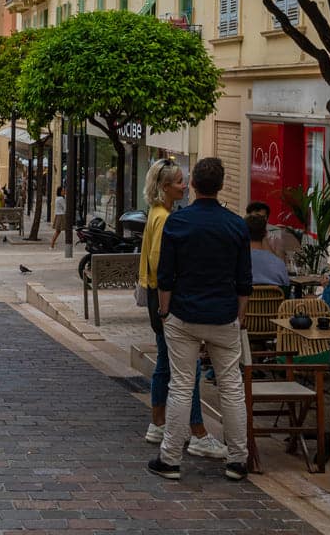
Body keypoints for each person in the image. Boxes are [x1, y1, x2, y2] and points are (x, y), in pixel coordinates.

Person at [149, 158, 251, 482]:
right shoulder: (237, 225)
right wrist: (240, 316)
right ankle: (237, 460)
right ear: (221, 185)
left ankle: (170, 459)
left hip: (184, 314)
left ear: (192, 185)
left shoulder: (177, 224)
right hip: (223, 315)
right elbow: (244, 279)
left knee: (181, 385)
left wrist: (165, 311)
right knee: (231, 387)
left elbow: (165, 276)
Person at [137, 159, 227, 461]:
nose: (184, 185)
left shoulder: (157, 213)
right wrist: (169, 305)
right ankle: (197, 431)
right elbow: (161, 264)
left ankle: (158, 423)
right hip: (167, 299)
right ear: (165, 187)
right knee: (187, 369)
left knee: (166, 362)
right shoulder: (165, 218)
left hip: (155, 296)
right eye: (178, 181)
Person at [248, 215, 290, 290]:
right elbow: (286, 288)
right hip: (277, 301)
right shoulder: (279, 263)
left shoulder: (236, 261)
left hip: (244, 301)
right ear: (266, 234)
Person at [49, 186, 67, 251]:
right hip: (61, 216)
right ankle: (52, 245)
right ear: (60, 192)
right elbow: (65, 208)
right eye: (63, 191)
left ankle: (52, 245)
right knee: (59, 231)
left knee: (58, 231)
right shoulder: (61, 199)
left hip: (58, 215)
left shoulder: (57, 198)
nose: (64, 192)